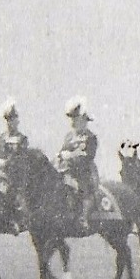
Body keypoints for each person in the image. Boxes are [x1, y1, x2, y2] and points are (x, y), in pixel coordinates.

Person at [0, 98, 30, 230]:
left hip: (15, 174)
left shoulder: (22, 139)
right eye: (8, 120)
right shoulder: (2, 138)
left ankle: (12, 220)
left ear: (17, 121)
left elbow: (21, 158)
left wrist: (6, 163)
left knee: (7, 191)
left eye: (12, 120)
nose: (10, 123)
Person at [57, 97, 100, 230]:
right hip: (67, 170)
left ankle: (84, 218)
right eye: (72, 119)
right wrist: (60, 156)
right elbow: (62, 151)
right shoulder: (68, 136)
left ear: (84, 120)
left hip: (84, 171)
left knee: (84, 189)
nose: (74, 122)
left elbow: (89, 156)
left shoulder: (90, 137)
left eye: (77, 119)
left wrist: (70, 156)